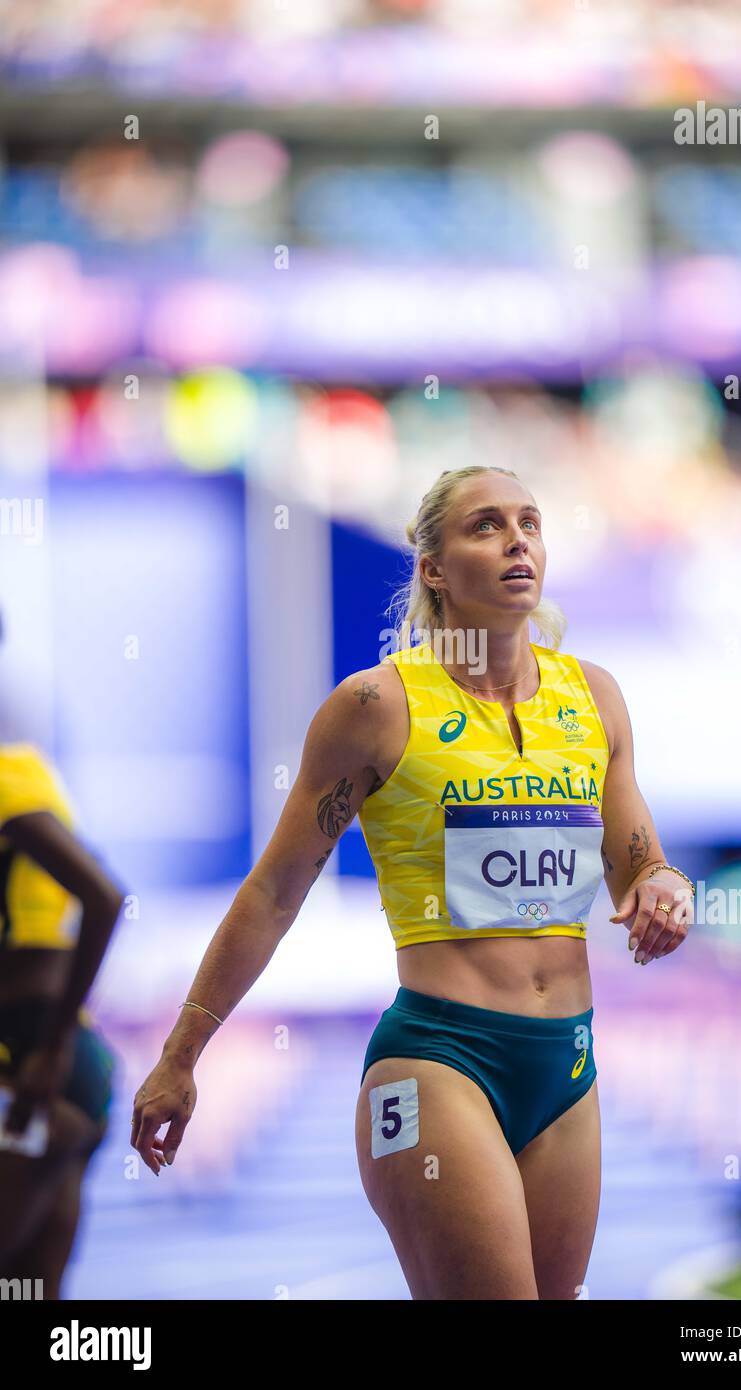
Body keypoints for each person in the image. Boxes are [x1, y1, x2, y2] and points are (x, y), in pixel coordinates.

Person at [130, 464, 694, 1300]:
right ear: (433, 566)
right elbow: (274, 893)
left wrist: (664, 886)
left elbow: (640, 859)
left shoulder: (593, 698)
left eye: (530, 523)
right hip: (439, 1061)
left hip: (568, 1066)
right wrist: (180, 1056)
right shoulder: (375, 707)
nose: (517, 542)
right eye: (486, 525)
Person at [0, 731, 125, 1298]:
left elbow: (102, 895)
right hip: (65, 1066)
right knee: (31, 1291)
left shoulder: (8, 782)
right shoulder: (30, 770)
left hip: (31, 1068)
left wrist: (47, 1052)